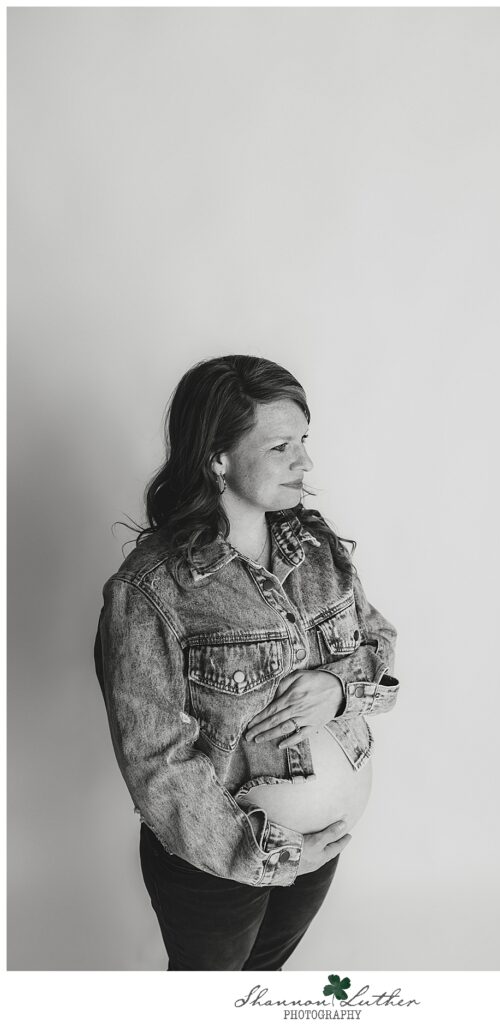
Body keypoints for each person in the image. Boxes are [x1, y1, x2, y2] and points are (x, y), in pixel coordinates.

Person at [94, 354, 400, 971]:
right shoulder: (152, 589)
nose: (304, 462)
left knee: (262, 987)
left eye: (304, 441)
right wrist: (268, 855)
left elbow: (379, 644)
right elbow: (156, 762)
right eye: (281, 446)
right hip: (219, 862)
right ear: (218, 458)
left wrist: (339, 687)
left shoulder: (315, 548)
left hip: (320, 848)